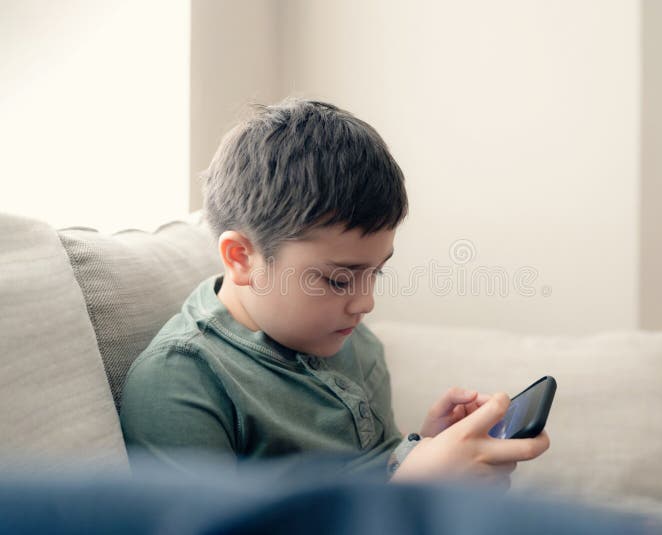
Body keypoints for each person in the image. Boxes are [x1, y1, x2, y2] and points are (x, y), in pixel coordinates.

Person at [119, 98, 549, 484]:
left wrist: (422, 453)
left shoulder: (348, 340)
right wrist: (408, 492)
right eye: (339, 279)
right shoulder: (181, 383)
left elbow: (366, 473)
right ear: (240, 258)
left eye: (376, 273)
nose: (366, 303)